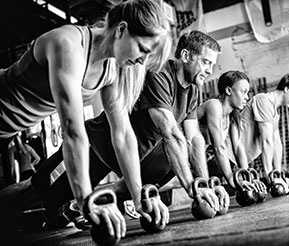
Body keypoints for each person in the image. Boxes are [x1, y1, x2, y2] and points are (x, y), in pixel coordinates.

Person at [19, 30, 225, 231]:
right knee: (39, 195)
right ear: (186, 56)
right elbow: (170, 131)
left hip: (131, 155)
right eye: (206, 62)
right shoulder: (159, 73)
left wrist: (203, 185)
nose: (210, 70)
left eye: (213, 65)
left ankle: (76, 208)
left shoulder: (193, 90)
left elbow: (194, 137)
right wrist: (191, 186)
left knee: (172, 162)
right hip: (99, 146)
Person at [0, 0, 172, 239]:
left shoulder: (111, 68)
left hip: (8, 129)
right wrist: (86, 202)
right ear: (121, 29)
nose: (142, 61)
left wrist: (138, 196)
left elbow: (122, 134)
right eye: (142, 49)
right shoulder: (68, 45)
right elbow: (73, 130)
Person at [227, 73, 289, 193]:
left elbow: (276, 144)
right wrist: (270, 177)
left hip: (238, 160)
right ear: (287, 89)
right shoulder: (263, 100)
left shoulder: (275, 112)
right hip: (226, 156)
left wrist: (278, 175)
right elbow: (266, 141)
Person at [197, 71, 264, 193]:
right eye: (243, 92)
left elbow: (238, 147)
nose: (247, 97)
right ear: (228, 91)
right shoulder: (214, 105)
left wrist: (247, 176)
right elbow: (219, 148)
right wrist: (231, 178)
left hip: (196, 160)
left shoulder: (232, 116)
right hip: (171, 157)